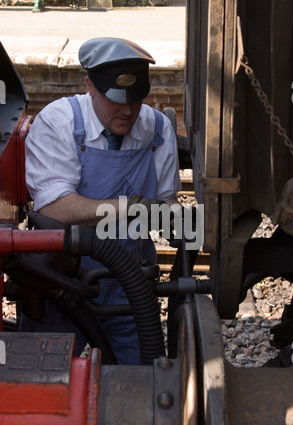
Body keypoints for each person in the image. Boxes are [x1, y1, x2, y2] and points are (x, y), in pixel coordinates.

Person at [22, 37, 182, 365]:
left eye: (136, 99)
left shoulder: (158, 130)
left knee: (142, 385)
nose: (127, 110)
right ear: (90, 86)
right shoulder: (58, 123)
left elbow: (167, 204)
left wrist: (186, 226)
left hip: (129, 285)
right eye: (115, 100)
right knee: (41, 379)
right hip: (60, 281)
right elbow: (54, 208)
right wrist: (132, 207)